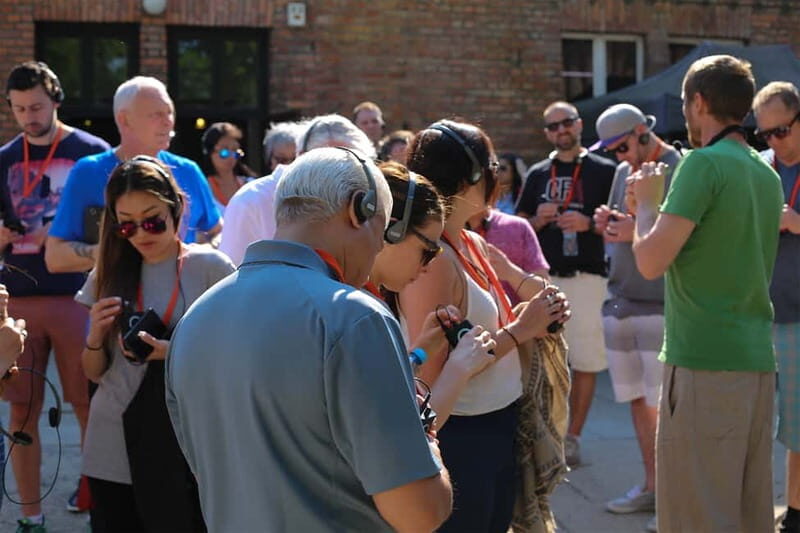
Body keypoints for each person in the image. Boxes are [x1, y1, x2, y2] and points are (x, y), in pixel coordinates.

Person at [166, 147, 453, 532]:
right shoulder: (355, 315)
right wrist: (428, 446)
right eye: (381, 233)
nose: (377, 251)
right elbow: (419, 514)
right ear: (359, 209)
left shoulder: (194, 320)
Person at [628, 54, 783, 532]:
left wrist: (645, 206)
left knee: (697, 518)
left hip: (703, 363)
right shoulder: (766, 173)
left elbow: (650, 261)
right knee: (746, 513)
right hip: (756, 363)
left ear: (699, 102)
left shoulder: (702, 164)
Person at [402, 119, 570, 533]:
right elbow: (432, 374)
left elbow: (498, 314)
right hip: (463, 434)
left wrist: (533, 298)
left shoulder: (471, 241)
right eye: (493, 166)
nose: (501, 177)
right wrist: (522, 329)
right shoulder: (436, 257)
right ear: (470, 178)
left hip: (498, 422)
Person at [77, 156, 234, 532]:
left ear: (175, 208)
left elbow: (237, 355)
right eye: (127, 225)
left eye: (152, 220)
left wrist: (174, 352)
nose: (142, 234)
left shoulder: (212, 268)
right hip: (112, 444)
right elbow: (93, 373)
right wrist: (96, 338)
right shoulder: (109, 272)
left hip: (183, 446)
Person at [0, 60, 110, 530]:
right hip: (19, 297)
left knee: (90, 405)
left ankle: (99, 504)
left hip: (75, 295)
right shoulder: (4, 158)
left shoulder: (92, 153)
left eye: (37, 107)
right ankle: (30, 515)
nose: (29, 116)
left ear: (57, 101)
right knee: (21, 409)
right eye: (20, 108)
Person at [590, 103, 681, 530]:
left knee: (665, 408)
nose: (620, 156)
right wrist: (606, 223)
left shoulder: (679, 166)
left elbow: (684, 233)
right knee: (639, 406)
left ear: (643, 131)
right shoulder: (624, 172)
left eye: (623, 146)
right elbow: (621, 225)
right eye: (612, 150)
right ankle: (652, 487)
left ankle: (673, 499)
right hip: (622, 299)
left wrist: (632, 230)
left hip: (662, 304)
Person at [516, 101, 615, 467]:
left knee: (586, 360)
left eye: (566, 123)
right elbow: (519, 224)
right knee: (544, 360)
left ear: (579, 124)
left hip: (588, 277)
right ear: (546, 133)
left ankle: (572, 437)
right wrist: (537, 221)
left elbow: (623, 219)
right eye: (553, 126)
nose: (561, 130)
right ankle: (546, 434)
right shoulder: (539, 173)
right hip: (546, 277)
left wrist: (589, 224)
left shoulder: (605, 170)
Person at [45, 76, 222, 274]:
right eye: (155, 115)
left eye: (169, 112)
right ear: (124, 120)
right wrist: (113, 251)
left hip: (184, 300)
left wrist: (201, 254)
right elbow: (54, 258)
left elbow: (219, 231)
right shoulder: (88, 172)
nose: (168, 122)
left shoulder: (188, 171)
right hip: (118, 298)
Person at [372, 161, 497, 429]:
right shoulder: (360, 313)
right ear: (392, 232)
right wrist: (460, 368)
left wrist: (421, 352)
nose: (429, 265)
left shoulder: (362, 300)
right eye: (428, 249)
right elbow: (404, 432)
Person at [219, 113, 374, 265]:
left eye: (353, 167)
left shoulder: (366, 202)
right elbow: (229, 277)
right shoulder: (251, 201)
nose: (340, 179)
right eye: (329, 166)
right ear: (300, 157)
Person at [752, 81, 800, 533]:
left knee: (799, 426)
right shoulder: (761, 168)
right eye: (764, 134)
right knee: (753, 424)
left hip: (799, 317)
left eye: (781, 131)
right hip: (757, 314)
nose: (772, 142)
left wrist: (796, 222)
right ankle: (756, 507)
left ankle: (795, 513)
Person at [199, 122, 257, 212]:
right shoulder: (201, 188)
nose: (231, 156)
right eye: (224, 152)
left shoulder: (251, 186)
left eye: (235, 151)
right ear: (210, 152)